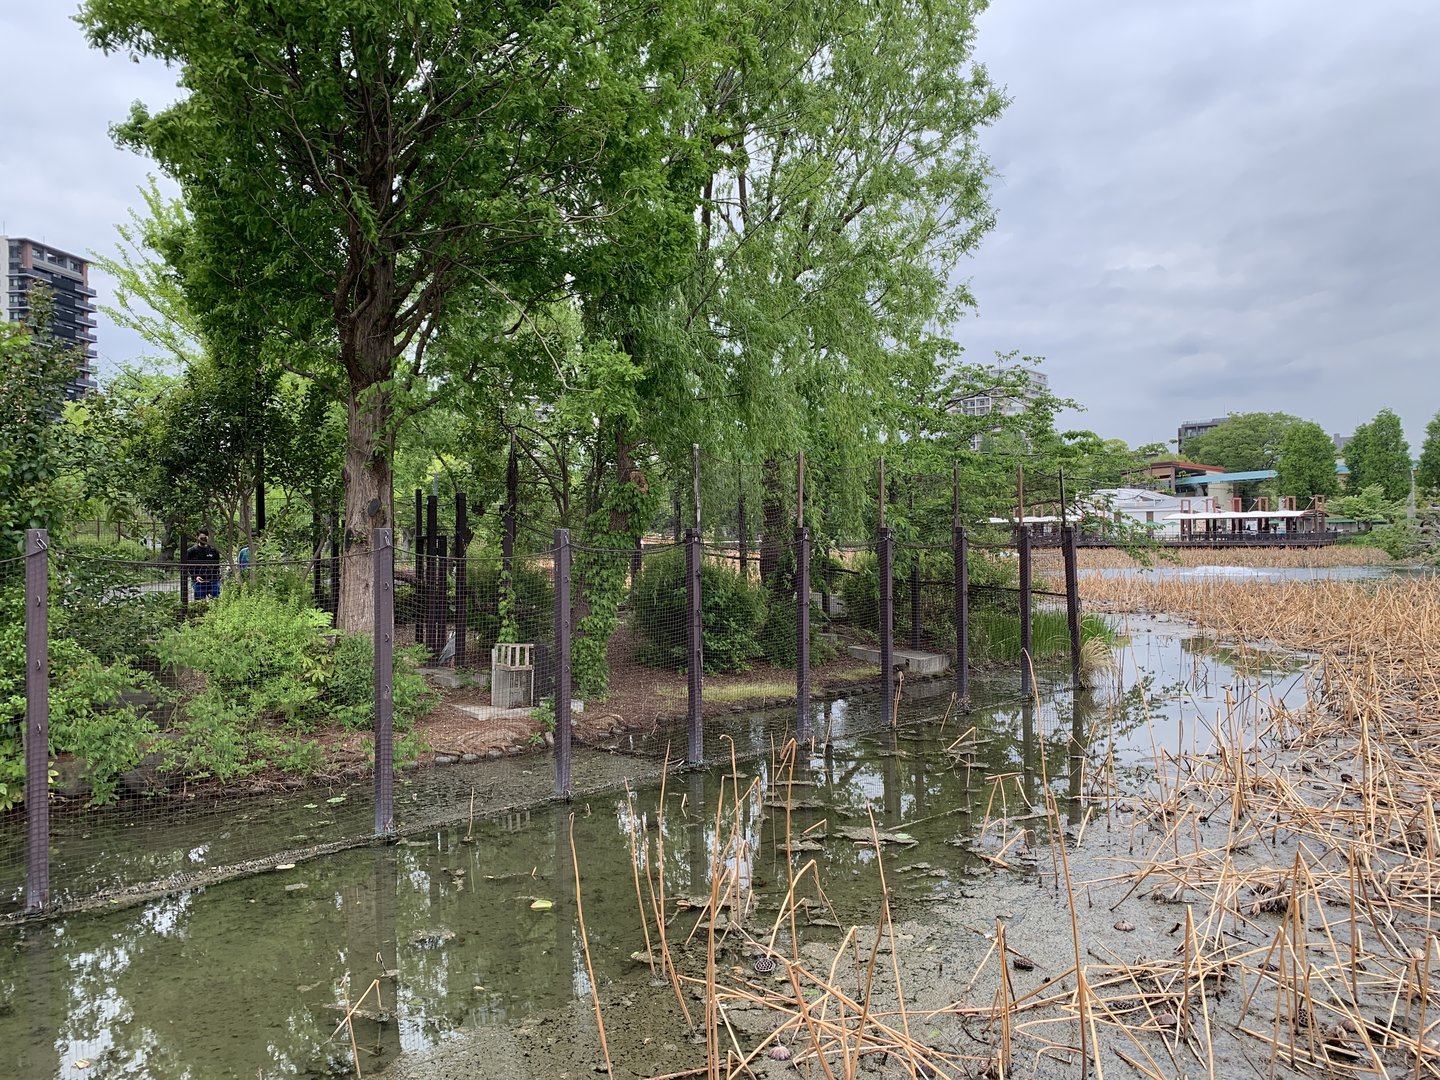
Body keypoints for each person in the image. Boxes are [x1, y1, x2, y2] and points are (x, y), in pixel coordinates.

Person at [185, 530, 222, 600]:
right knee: (200, 601)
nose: (203, 540)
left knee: (216, 599)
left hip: (212, 579)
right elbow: (188, 566)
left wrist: (216, 576)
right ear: (197, 537)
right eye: (201, 538)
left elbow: (217, 565)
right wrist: (195, 576)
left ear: (208, 537)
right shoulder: (191, 551)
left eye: (205, 538)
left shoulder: (213, 551)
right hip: (198, 580)